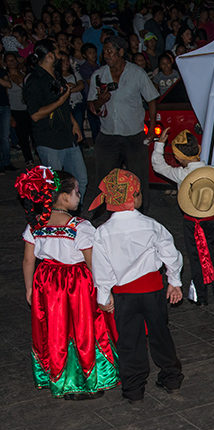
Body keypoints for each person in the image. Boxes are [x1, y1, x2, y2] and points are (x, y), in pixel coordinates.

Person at [17, 167, 119, 399]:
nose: (79, 197)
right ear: (64, 196)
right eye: (77, 192)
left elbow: (27, 259)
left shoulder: (36, 225)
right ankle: (89, 379)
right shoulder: (79, 227)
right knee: (83, 329)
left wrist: (30, 288)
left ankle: (62, 379)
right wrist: (104, 290)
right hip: (77, 284)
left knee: (57, 330)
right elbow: (94, 263)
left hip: (47, 283)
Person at [90, 169, 184, 403]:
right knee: (160, 333)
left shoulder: (103, 233)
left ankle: (133, 389)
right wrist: (174, 281)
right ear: (135, 196)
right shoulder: (151, 225)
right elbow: (171, 255)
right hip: (152, 291)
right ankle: (171, 378)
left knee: (129, 340)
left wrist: (104, 295)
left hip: (124, 296)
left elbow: (102, 269)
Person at [152, 128, 214, 306]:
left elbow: (158, 166)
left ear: (179, 157)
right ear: (199, 149)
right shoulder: (212, 170)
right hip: (212, 219)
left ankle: (201, 297)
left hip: (192, 222)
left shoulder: (182, 174)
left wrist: (159, 144)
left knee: (196, 257)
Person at [88, 36, 160, 212]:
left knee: (139, 176)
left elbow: (152, 99)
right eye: (104, 51)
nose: (106, 55)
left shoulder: (137, 73)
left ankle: (141, 212)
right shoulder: (99, 75)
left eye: (110, 51)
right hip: (108, 134)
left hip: (133, 135)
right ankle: (104, 211)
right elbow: (91, 106)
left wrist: (151, 128)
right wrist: (100, 101)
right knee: (104, 177)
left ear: (121, 52)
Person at [24, 40, 88, 202]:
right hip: (49, 139)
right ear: (50, 56)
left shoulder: (57, 75)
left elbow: (64, 107)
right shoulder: (34, 80)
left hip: (67, 136)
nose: (61, 56)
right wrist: (60, 100)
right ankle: (56, 218)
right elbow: (35, 115)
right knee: (55, 185)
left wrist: (74, 123)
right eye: (58, 53)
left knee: (80, 180)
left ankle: (73, 214)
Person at [5, 52, 34, 168]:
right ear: (5, 63)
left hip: (27, 108)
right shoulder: (5, 77)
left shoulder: (23, 74)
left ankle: (38, 153)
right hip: (15, 109)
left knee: (33, 132)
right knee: (22, 136)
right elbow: (6, 96)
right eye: (9, 60)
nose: (12, 62)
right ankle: (28, 158)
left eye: (13, 60)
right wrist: (10, 115)